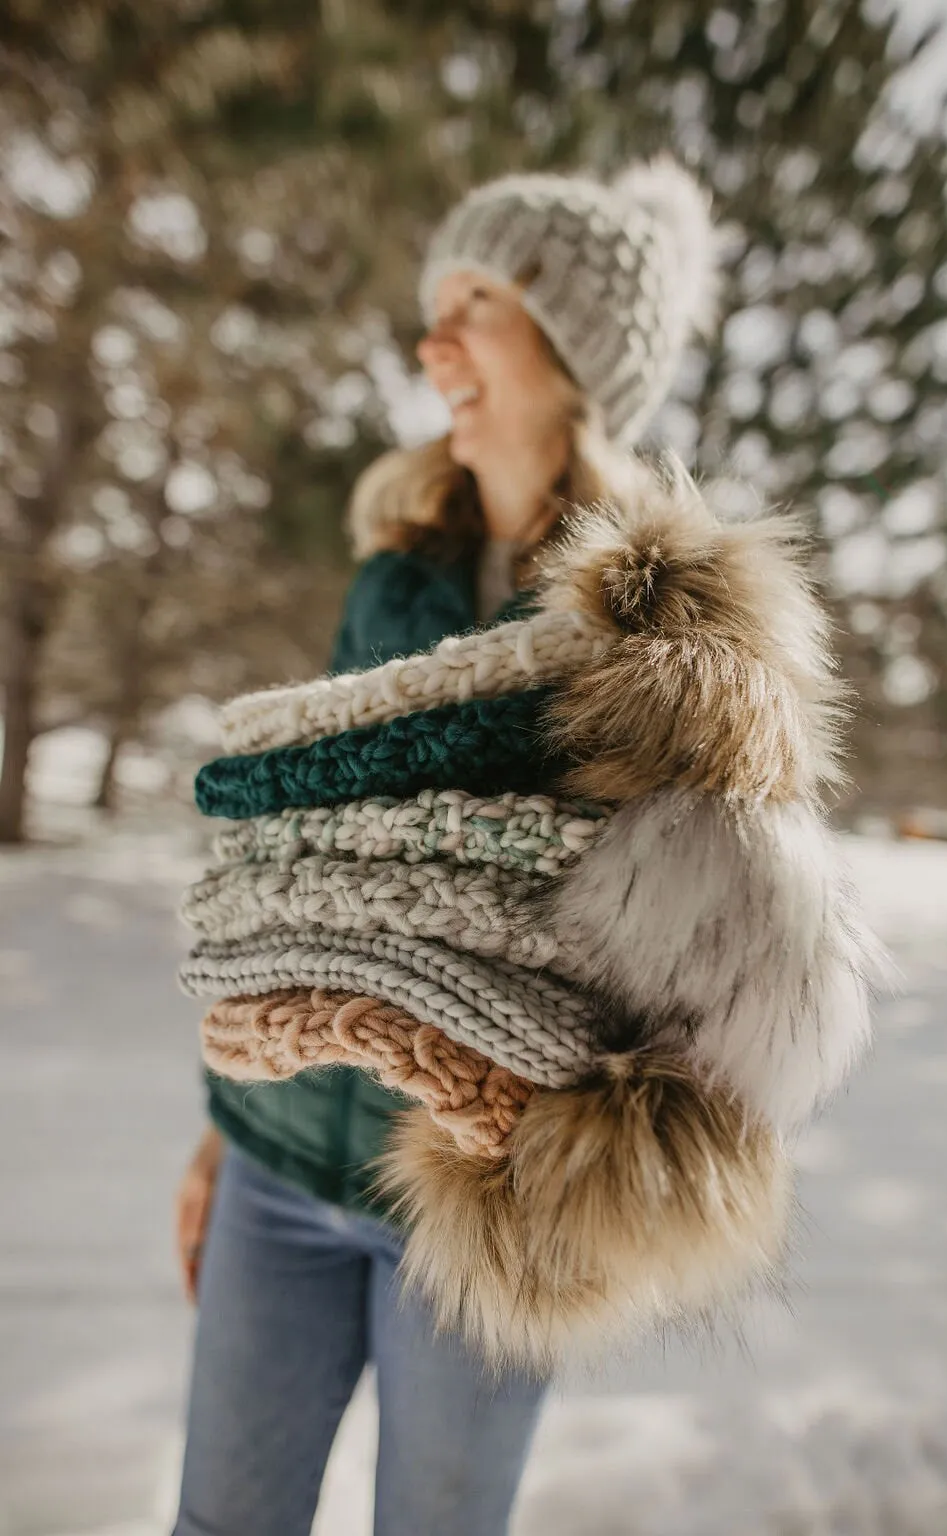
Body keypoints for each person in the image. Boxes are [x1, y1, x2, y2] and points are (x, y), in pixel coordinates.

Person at [172, 159, 717, 1536]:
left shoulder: (654, 632)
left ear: (577, 352)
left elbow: (658, 938)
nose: (436, 341)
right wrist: (216, 1138)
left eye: (479, 301)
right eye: (437, 305)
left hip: (485, 1206)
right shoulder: (391, 576)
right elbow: (311, 867)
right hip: (285, 1164)